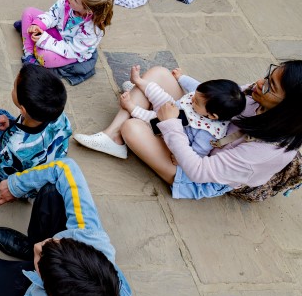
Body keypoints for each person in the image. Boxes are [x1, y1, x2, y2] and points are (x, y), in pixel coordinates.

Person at [74, 61, 302, 200]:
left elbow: (200, 170)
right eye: (269, 75)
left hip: (196, 166)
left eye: (271, 86)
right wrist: (182, 80)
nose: (260, 82)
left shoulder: (268, 150)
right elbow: (219, 100)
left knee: (133, 127)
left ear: (289, 108)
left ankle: (134, 114)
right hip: (199, 127)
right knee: (159, 74)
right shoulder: (257, 93)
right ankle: (112, 136)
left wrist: (171, 125)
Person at [0, 158, 133, 296]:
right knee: (53, 191)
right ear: (83, 248)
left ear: (50, 294)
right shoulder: (90, 236)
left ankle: (24, 292)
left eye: (41, 259)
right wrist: (15, 185)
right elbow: (65, 167)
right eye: (58, 243)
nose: (38, 246)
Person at [121, 65, 245, 157]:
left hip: (167, 127)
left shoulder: (208, 132)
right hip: (171, 106)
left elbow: (198, 152)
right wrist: (181, 77)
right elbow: (195, 86)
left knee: (151, 118)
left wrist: (180, 159)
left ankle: (130, 106)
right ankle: (138, 81)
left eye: (196, 102)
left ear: (212, 116)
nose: (192, 98)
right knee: (159, 94)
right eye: (195, 96)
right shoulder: (206, 97)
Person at [15, 0, 114, 68]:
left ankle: (29, 35)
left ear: (89, 10)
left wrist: (45, 40)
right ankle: (29, 54)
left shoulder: (92, 29)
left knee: (46, 58)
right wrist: (39, 23)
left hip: (69, 50)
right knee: (28, 12)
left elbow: (71, 50)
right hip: (57, 32)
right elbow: (53, 15)